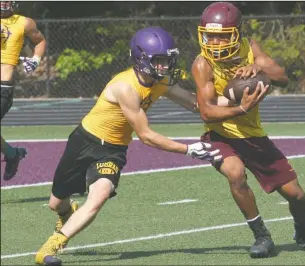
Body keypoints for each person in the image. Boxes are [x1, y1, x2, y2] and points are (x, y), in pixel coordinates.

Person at [34, 26, 222, 266]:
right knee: (56, 203)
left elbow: (196, 104)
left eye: (168, 61)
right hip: (84, 141)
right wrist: (187, 149)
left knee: (98, 196)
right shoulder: (126, 87)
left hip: (113, 150)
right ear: (141, 60)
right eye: (160, 61)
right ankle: (66, 212)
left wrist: (237, 103)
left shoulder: (160, 81)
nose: (165, 67)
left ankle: (51, 246)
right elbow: (146, 136)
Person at [192, 2, 305, 258]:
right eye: (209, 35)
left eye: (221, 36)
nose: (213, 42)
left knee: (297, 196)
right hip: (220, 134)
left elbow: (283, 77)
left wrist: (259, 68)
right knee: (235, 174)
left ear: (236, 33)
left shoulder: (250, 47)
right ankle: (262, 237)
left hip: (253, 136)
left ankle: (303, 233)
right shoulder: (202, 64)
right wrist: (240, 109)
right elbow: (207, 111)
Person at [1, 1, 46, 180]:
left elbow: (40, 40)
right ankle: (12, 154)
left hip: (2, 86)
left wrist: (35, 59)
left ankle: (13, 154)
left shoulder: (24, 22)